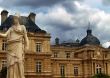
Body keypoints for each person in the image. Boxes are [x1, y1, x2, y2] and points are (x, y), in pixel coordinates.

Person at [0, 13, 29, 78]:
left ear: (18, 19)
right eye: (14, 18)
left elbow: (26, 37)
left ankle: (21, 76)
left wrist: (27, 46)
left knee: (20, 61)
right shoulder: (11, 28)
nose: (14, 20)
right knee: (11, 64)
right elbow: (5, 35)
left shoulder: (22, 27)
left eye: (16, 18)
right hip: (11, 47)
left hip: (19, 45)